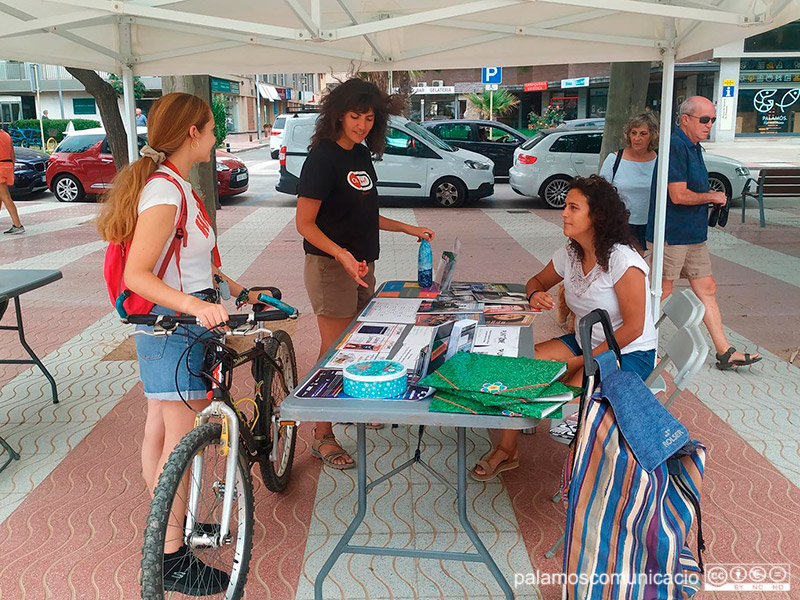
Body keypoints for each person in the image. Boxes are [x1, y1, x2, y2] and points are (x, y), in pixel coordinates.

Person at [96, 92, 265, 593]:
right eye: (213, 128)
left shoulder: (173, 185)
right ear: (192, 132)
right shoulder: (166, 192)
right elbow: (138, 275)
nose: (218, 137)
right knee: (180, 443)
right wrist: (195, 307)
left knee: (161, 433)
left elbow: (193, 260)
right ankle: (171, 553)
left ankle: (163, 534)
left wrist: (231, 287)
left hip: (174, 324)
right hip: (175, 326)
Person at [472, 175, 657, 481]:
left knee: (560, 388)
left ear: (596, 215)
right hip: (586, 340)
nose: (564, 213)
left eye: (573, 207)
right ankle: (508, 451)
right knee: (519, 368)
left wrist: (583, 361)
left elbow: (634, 329)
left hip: (628, 352)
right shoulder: (572, 252)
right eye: (566, 206)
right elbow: (536, 281)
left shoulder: (624, 261)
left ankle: (578, 463)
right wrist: (535, 294)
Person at [295, 78, 435, 470]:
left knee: (360, 345)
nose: (361, 124)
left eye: (369, 118)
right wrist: (340, 254)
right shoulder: (322, 158)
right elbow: (304, 223)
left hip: (359, 266)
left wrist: (408, 229)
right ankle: (321, 435)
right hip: (330, 267)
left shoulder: (359, 154)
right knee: (333, 350)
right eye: (355, 116)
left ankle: (356, 405)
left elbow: (362, 214)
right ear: (338, 115)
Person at [646, 96, 760, 370]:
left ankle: (724, 351)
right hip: (671, 233)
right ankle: (636, 347)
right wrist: (712, 196)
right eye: (704, 119)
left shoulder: (693, 146)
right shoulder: (675, 145)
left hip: (693, 233)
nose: (710, 125)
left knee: (707, 288)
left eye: (712, 119)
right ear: (685, 119)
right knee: (660, 291)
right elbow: (677, 194)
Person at [599, 112, 658, 251]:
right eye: (634, 133)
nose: (637, 138)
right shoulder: (614, 160)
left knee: (643, 266)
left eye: (643, 134)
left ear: (652, 135)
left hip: (650, 226)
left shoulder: (660, 161)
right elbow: (601, 194)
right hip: (620, 225)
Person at [0, 127, 24, 235]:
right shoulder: (6, 135)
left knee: (5, 197)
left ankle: (18, 225)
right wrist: (12, 168)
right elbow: (12, 154)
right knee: (1, 196)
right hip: (7, 165)